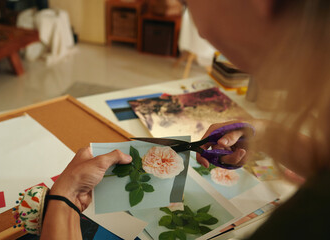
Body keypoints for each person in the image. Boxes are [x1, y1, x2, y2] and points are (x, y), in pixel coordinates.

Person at [41, 0, 330, 239]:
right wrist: (265, 134)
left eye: (188, 2)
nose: (199, 31)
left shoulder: (306, 221)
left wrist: (63, 199)